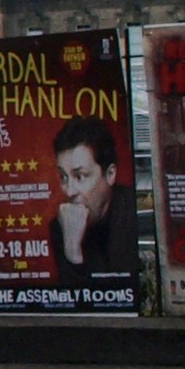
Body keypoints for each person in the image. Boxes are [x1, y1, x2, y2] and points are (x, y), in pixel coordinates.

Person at [48, 114, 139, 288]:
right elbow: (73, 302)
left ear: (110, 174)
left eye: (80, 176)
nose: (69, 190)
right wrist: (73, 251)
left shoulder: (130, 212)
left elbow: (123, 289)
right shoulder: (61, 226)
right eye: (63, 177)